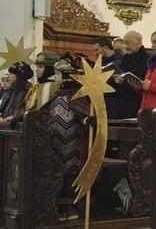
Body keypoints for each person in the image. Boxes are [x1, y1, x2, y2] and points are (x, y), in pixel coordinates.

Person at [43, 57, 91, 221]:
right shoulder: (58, 95)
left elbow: (87, 116)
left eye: (57, 74)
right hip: (55, 140)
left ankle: (70, 207)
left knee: (70, 172)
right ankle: (59, 207)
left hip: (72, 143)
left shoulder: (75, 95)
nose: (54, 77)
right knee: (57, 171)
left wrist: (87, 121)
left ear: (68, 76)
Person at [111, 31, 148, 118]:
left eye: (128, 43)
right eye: (125, 43)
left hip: (135, 98)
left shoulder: (146, 58)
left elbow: (141, 77)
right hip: (122, 97)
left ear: (138, 42)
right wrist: (117, 78)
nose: (126, 46)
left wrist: (125, 81)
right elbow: (121, 72)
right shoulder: (126, 57)